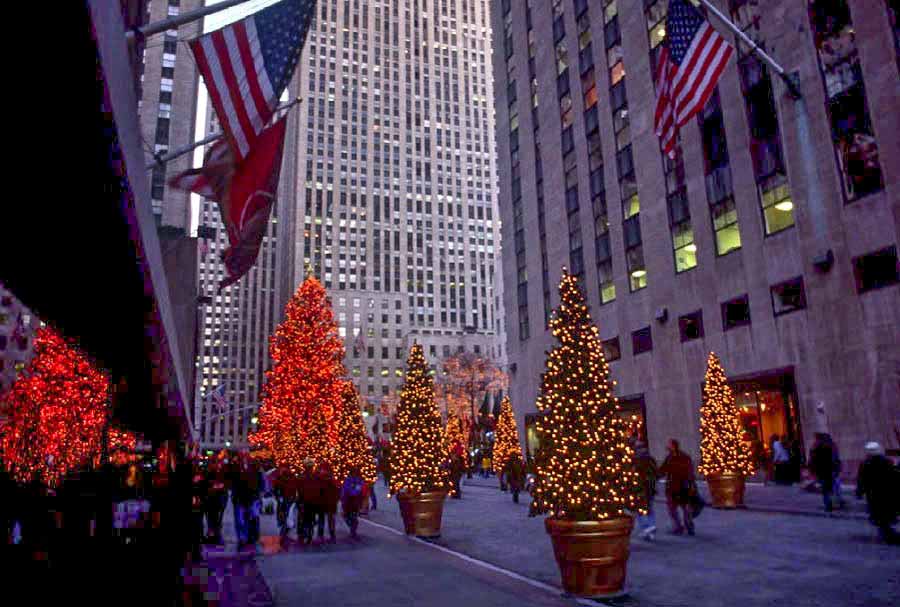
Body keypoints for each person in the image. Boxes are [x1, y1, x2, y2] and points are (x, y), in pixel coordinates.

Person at [855, 442, 899, 545]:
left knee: (879, 514)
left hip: (874, 494)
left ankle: (886, 533)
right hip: (887, 493)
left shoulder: (866, 464)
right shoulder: (887, 462)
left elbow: (862, 479)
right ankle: (887, 532)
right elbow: (895, 476)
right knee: (886, 513)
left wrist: (860, 491)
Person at [659, 439, 696, 536]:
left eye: (669, 445)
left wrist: (691, 484)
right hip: (679, 486)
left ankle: (682, 526)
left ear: (673, 446)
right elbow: (662, 470)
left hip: (678, 486)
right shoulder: (678, 457)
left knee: (677, 509)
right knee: (680, 509)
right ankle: (685, 526)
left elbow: (662, 470)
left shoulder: (673, 458)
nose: (667, 447)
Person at [633, 440, 659, 541]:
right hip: (650, 488)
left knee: (639, 510)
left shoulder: (636, 461)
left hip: (641, 489)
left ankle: (647, 527)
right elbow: (656, 473)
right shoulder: (650, 459)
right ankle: (650, 529)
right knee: (650, 508)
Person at [810, 433, 839, 512]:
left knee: (825, 489)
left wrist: (814, 471)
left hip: (822, 471)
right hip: (829, 470)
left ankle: (828, 505)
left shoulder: (815, 448)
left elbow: (813, 461)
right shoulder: (830, 447)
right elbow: (835, 459)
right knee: (830, 487)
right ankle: (833, 503)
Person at [316, 462, 340, 543]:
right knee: (328, 519)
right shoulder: (332, 479)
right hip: (328, 502)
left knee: (324, 519)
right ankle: (329, 535)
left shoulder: (320, 478)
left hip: (325, 501)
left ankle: (322, 535)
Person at [297, 459, 319, 544]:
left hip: (306, 501)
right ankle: (306, 533)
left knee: (304, 518)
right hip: (309, 501)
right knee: (308, 518)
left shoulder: (301, 477)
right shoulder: (314, 477)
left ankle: (303, 534)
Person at [341, 466, 365, 539]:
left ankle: (353, 530)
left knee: (352, 516)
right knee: (348, 516)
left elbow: (358, 490)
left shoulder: (357, 481)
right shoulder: (348, 480)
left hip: (353, 501)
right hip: (349, 501)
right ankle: (352, 528)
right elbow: (346, 490)